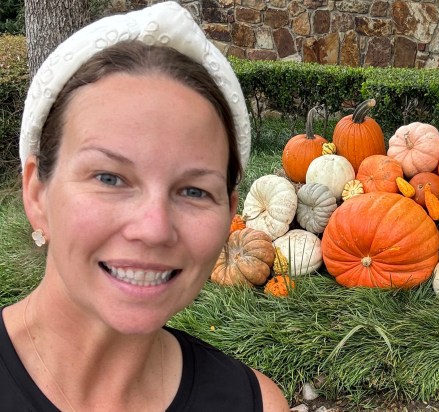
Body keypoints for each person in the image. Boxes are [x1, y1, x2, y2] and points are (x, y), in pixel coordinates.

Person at [0, 2, 290, 411]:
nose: (154, 228)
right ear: (37, 194)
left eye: (193, 191)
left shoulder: (255, 404)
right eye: (109, 178)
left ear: (229, 213)